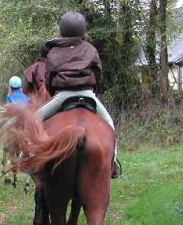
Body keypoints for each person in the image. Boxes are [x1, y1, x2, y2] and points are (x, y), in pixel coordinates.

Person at [37, 11, 122, 178]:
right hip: (88, 95)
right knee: (110, 125)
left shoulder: (53, 52)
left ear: (62, 30)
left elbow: (49, 79)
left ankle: (31, 156)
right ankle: (113, 163)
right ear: (82, 30)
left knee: (34, 119)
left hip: (62, 96)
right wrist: (92, 89)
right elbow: (98, 75)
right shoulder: (91, 49)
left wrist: (55, 92)